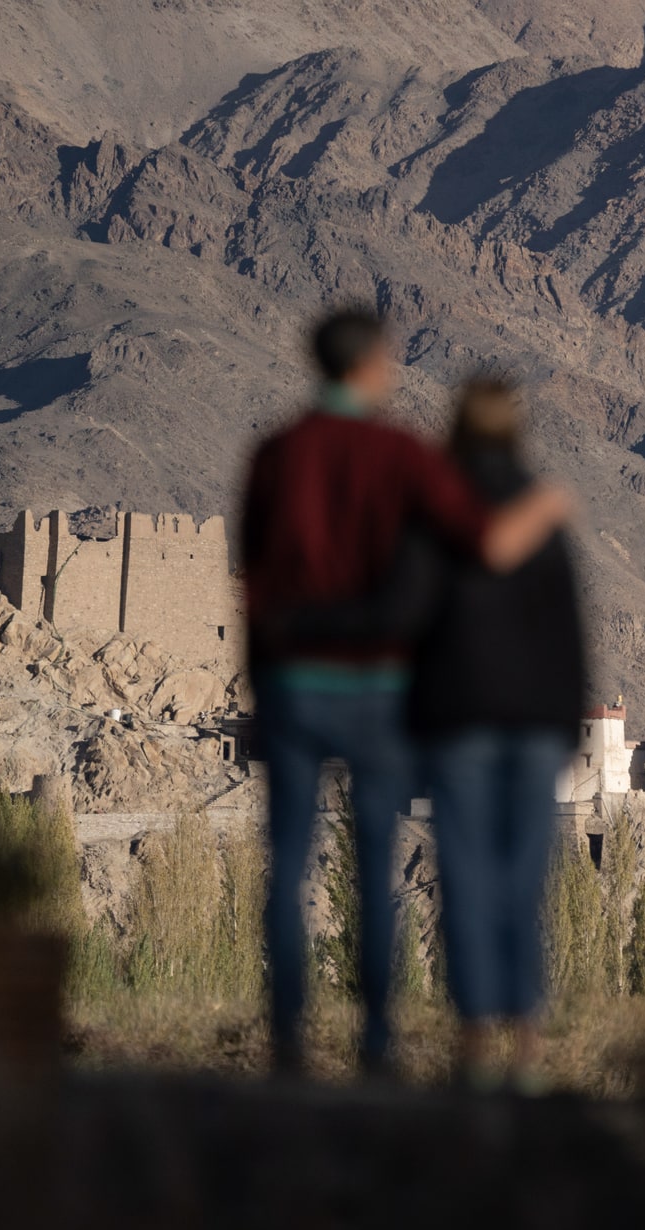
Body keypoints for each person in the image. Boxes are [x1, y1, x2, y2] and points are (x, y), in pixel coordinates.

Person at [239, 311, 570, 1077]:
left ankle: (288, 1035)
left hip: (292, 681)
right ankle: (377, 1037)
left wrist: (262, 684)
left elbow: (250, 584)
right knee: (374, 862)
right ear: (374, 365)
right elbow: (483, 543)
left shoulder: (275, 454)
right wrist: (548, 508)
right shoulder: (402, 455)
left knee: (286, 862)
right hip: (377, 689)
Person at [410, 375, 587, 1090]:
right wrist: (567, 726)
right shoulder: (542, 517)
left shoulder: (433, 515)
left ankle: (476, 1036)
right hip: (536, 725)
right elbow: (569, 633)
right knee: (523, 879)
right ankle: (528, 1040)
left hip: (460, 724)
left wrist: (417, 717)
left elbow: (414, 624)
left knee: (468, 878)